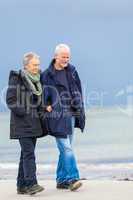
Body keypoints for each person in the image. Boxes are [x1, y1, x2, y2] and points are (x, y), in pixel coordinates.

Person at [41, 44, 85, 191]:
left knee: (66, 149)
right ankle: (73, 178)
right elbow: (42, 95)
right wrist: (45, 105)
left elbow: (78, 89)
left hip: (71, 114)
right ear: (56, 56)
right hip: (56, 116)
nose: (66, 59)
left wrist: (79, 104)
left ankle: (61, 180)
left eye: (68, 57)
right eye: (63, 56)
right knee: (66, 149)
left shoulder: (72, 71)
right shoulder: (47, 74)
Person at [6, 52, 45, 195]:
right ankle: (32, 184)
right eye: (34, 65)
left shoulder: (37, 80)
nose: (37, 67)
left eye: (38, 65)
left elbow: (36, 101)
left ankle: (21, 185)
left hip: (34, 123)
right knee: (29, 155)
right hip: (22, 124)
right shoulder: (17, 79)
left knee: (25, 154)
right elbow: (10, 100)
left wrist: (43, 109)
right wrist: (25, 111)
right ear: (26, 65)